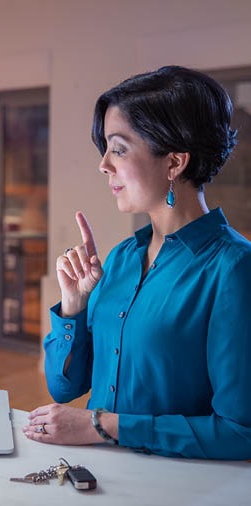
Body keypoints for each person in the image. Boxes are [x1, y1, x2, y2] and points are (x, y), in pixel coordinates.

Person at [26, 66, 251, 460]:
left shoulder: (233, 270)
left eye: (119, 148)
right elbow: (64, 388)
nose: (103, 164)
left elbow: (239, 433)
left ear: (174, 162)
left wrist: (103, 426)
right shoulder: (122, 258)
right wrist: (73, 306)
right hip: (96, 475)